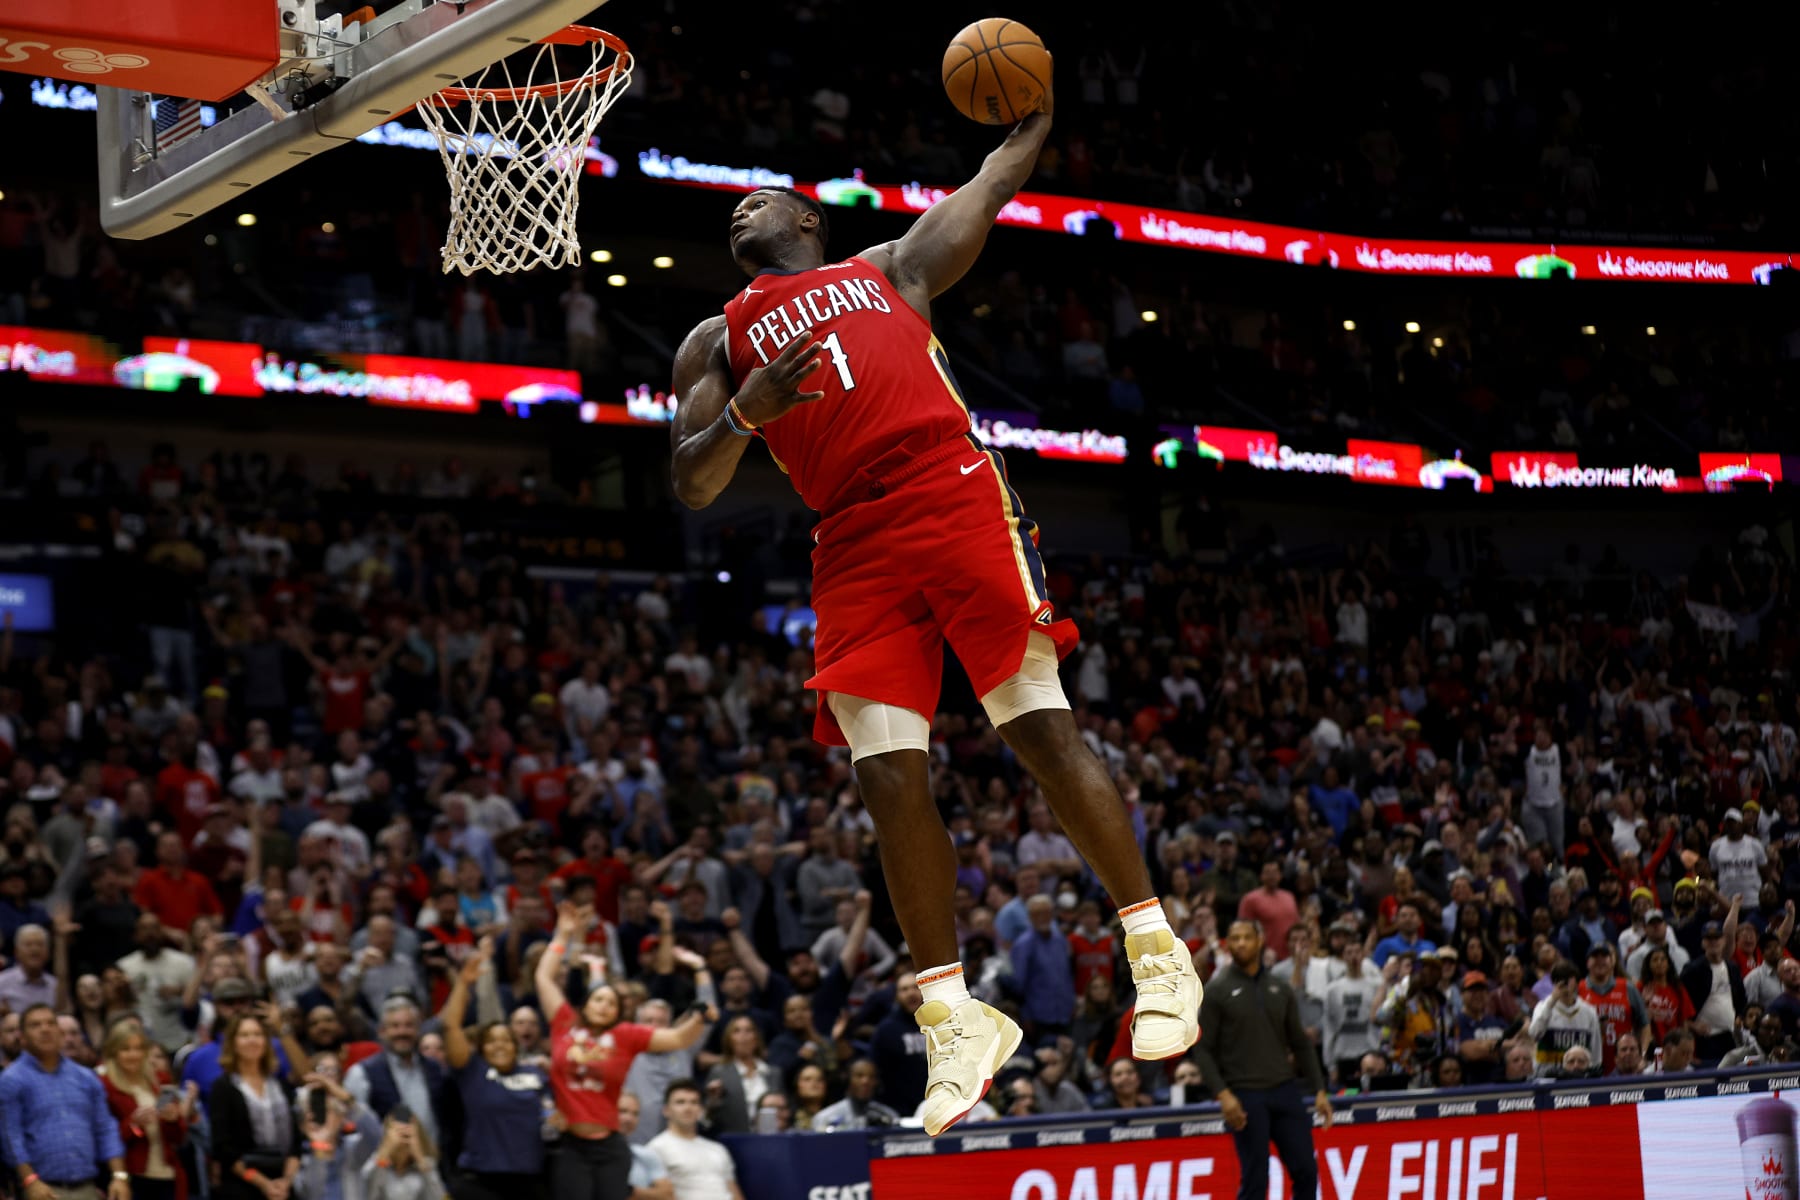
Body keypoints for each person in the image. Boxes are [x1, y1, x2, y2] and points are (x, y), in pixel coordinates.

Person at [666, 61, 1199, 1135]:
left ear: (806, 221)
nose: (741, 208)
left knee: (1037, 724)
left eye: (759, 197)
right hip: (850, 539)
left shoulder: (890, 268)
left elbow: (990, 186)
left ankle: (1156, 948)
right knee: (887, 776)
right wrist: (743, 417)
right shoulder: (715, 341)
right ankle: (954, 1017)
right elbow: (689, 479)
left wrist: (1035, 121)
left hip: (947, 488)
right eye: (734, 211)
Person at [537, 902, 711, 1200]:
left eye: (611, 1003)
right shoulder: (565, 1022)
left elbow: (679, 1039)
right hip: (570, 1144)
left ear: (619, 1012)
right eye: (598, 999)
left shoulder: (626, 1035)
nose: (604, 1006)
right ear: (586, 1003)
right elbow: (543, 977)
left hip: (610, 1146)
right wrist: (563, 936)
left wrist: (700, 1015)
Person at [1194, 922, 1332, 1200]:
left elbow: (1300, 1042)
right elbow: (1202, 1049)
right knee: (1256, 1178)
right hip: (1244, 1095)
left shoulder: (1279, 987)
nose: (1241, 943)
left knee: (1306, 1170)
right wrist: (1223, 1095)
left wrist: (1319, 1089)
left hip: (1284, 1090)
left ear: (1260, 941)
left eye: (1247, 937)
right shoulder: (1216, 990)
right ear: (1227, 945)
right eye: (1234, 938)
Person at [440, 945, 549, 1200]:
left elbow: (553, 1111)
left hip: (531, 1179)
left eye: (506, 1040)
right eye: (491, 1040)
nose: (499, 1045)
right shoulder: (473, 1072)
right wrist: (463, 984)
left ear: (516, 1047)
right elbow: (450, 1026)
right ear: (481, 1048)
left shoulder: (537, 1074)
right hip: (480, 1180)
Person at [0, 1004, 131, 1200]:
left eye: (50, 1023)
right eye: (35, 1025)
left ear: (60, 1032)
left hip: (87, 1185)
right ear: (23, 1037)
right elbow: (11, 1136)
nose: (45, 1029)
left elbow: (105, 1127)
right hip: (42, 1188)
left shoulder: (85, 1077)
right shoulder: (12, 1079)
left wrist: (119, 1176)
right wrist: (30, 1180)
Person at [208, 1013, 302, 1200]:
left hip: (283, 1182)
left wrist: (286, 1181)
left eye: (258, 1034)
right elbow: (223, 1147)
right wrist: (263, 1184)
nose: (252, 1040)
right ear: (233, 1043)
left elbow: (296, 1141)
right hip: (242, 1181)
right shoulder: (223, 1087)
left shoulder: (280, 1085)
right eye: (244, 1035)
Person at [98, 1024, 189, 1200]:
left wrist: (173, 1119)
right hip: (134, 1176)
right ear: (113, 1052)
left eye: (138, 1048)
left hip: (168, 1174)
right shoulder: (105, 1086)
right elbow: (104, 1136)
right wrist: (134, 1125)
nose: (133, 1055)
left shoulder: (159, 1081)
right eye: (126, 1049)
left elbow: (179, 1137)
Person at [646, 1080, 742, 1200]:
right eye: (680, 1102)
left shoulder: (718, 1149)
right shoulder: (655, 1148)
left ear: (701, 1110)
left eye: (694, 1102)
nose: (688, 1108)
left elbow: (734, 1191)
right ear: (666, 1110)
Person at [700, 1016, 781, 1136]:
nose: (743, 1036)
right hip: (734, 1142)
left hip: (772, 1140)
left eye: (748, 1030)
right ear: (729, 1039)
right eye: (736, 1031)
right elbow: (707, 1119)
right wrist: (712, 1101)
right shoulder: (719, 1073)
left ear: (756, 1037)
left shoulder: (774, 1073)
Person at [1680, 919, 1746, 1063]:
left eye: (1717, 938)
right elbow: (1680, 1005)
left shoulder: (1732, 968)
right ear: (1703, 942)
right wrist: (1692, 1026)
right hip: (1706, 1041)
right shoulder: (1692, 970)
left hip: (1731, 1037)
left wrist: (1740, 1016)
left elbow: (1741, 999)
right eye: (1709, 939)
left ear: (1723, 940)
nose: (1713, 942)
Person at [1527, 963, 1603, 1075]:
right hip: (1547, 1075)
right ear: (1553, 984)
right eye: (1560, 982)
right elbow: (1534, 1034)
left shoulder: (1589, 1012)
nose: (1565, 987)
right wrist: (1552, 1000)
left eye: (1568, 982)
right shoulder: (1543, 1007)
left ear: (1577, 984)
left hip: (1580, 1076)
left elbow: (1596, 1052)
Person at [812, 1059, 899, 1131]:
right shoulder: (825, 1117)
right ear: (848, 1079)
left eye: (871, 1077)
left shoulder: (889, 1115)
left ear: (877, 1082)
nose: (865, 1081)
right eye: (859, 1076)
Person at [614, 1093, 672, 1200]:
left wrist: (629, 1191)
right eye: (622, 1111)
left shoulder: (645, 1154)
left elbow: (668, 1196)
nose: (629, 1119)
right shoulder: (586, 1153)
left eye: (635, 1114)